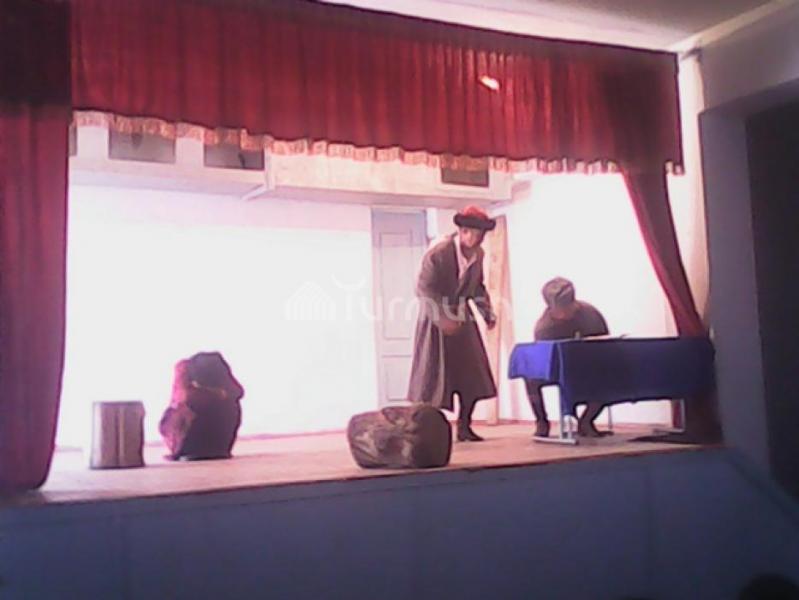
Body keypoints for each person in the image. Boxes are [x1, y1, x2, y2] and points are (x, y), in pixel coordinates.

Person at [407, 205, 497, 442]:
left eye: (481, 235)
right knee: (433, 377)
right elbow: (424, 289)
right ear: (462, 231)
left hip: (462, 319)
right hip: (436, 321)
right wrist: (443, 319)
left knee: (472, 375)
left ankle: (465, 426)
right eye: (473, 233)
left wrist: (487, 314)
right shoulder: (439, 252)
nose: (476, 239)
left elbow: (477, 288)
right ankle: (427, 431)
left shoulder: (478, 255)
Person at [526, 277, 609, 438]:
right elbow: (545, 355)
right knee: (531, 379)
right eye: (559, 310)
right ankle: (541, 422)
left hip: (591, 365)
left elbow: (604, 344)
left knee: (609, 376)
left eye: (567, 308)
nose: (563, 314)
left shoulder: (591, 315)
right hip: (558, 366)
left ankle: (587, 420)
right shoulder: (544, 327)